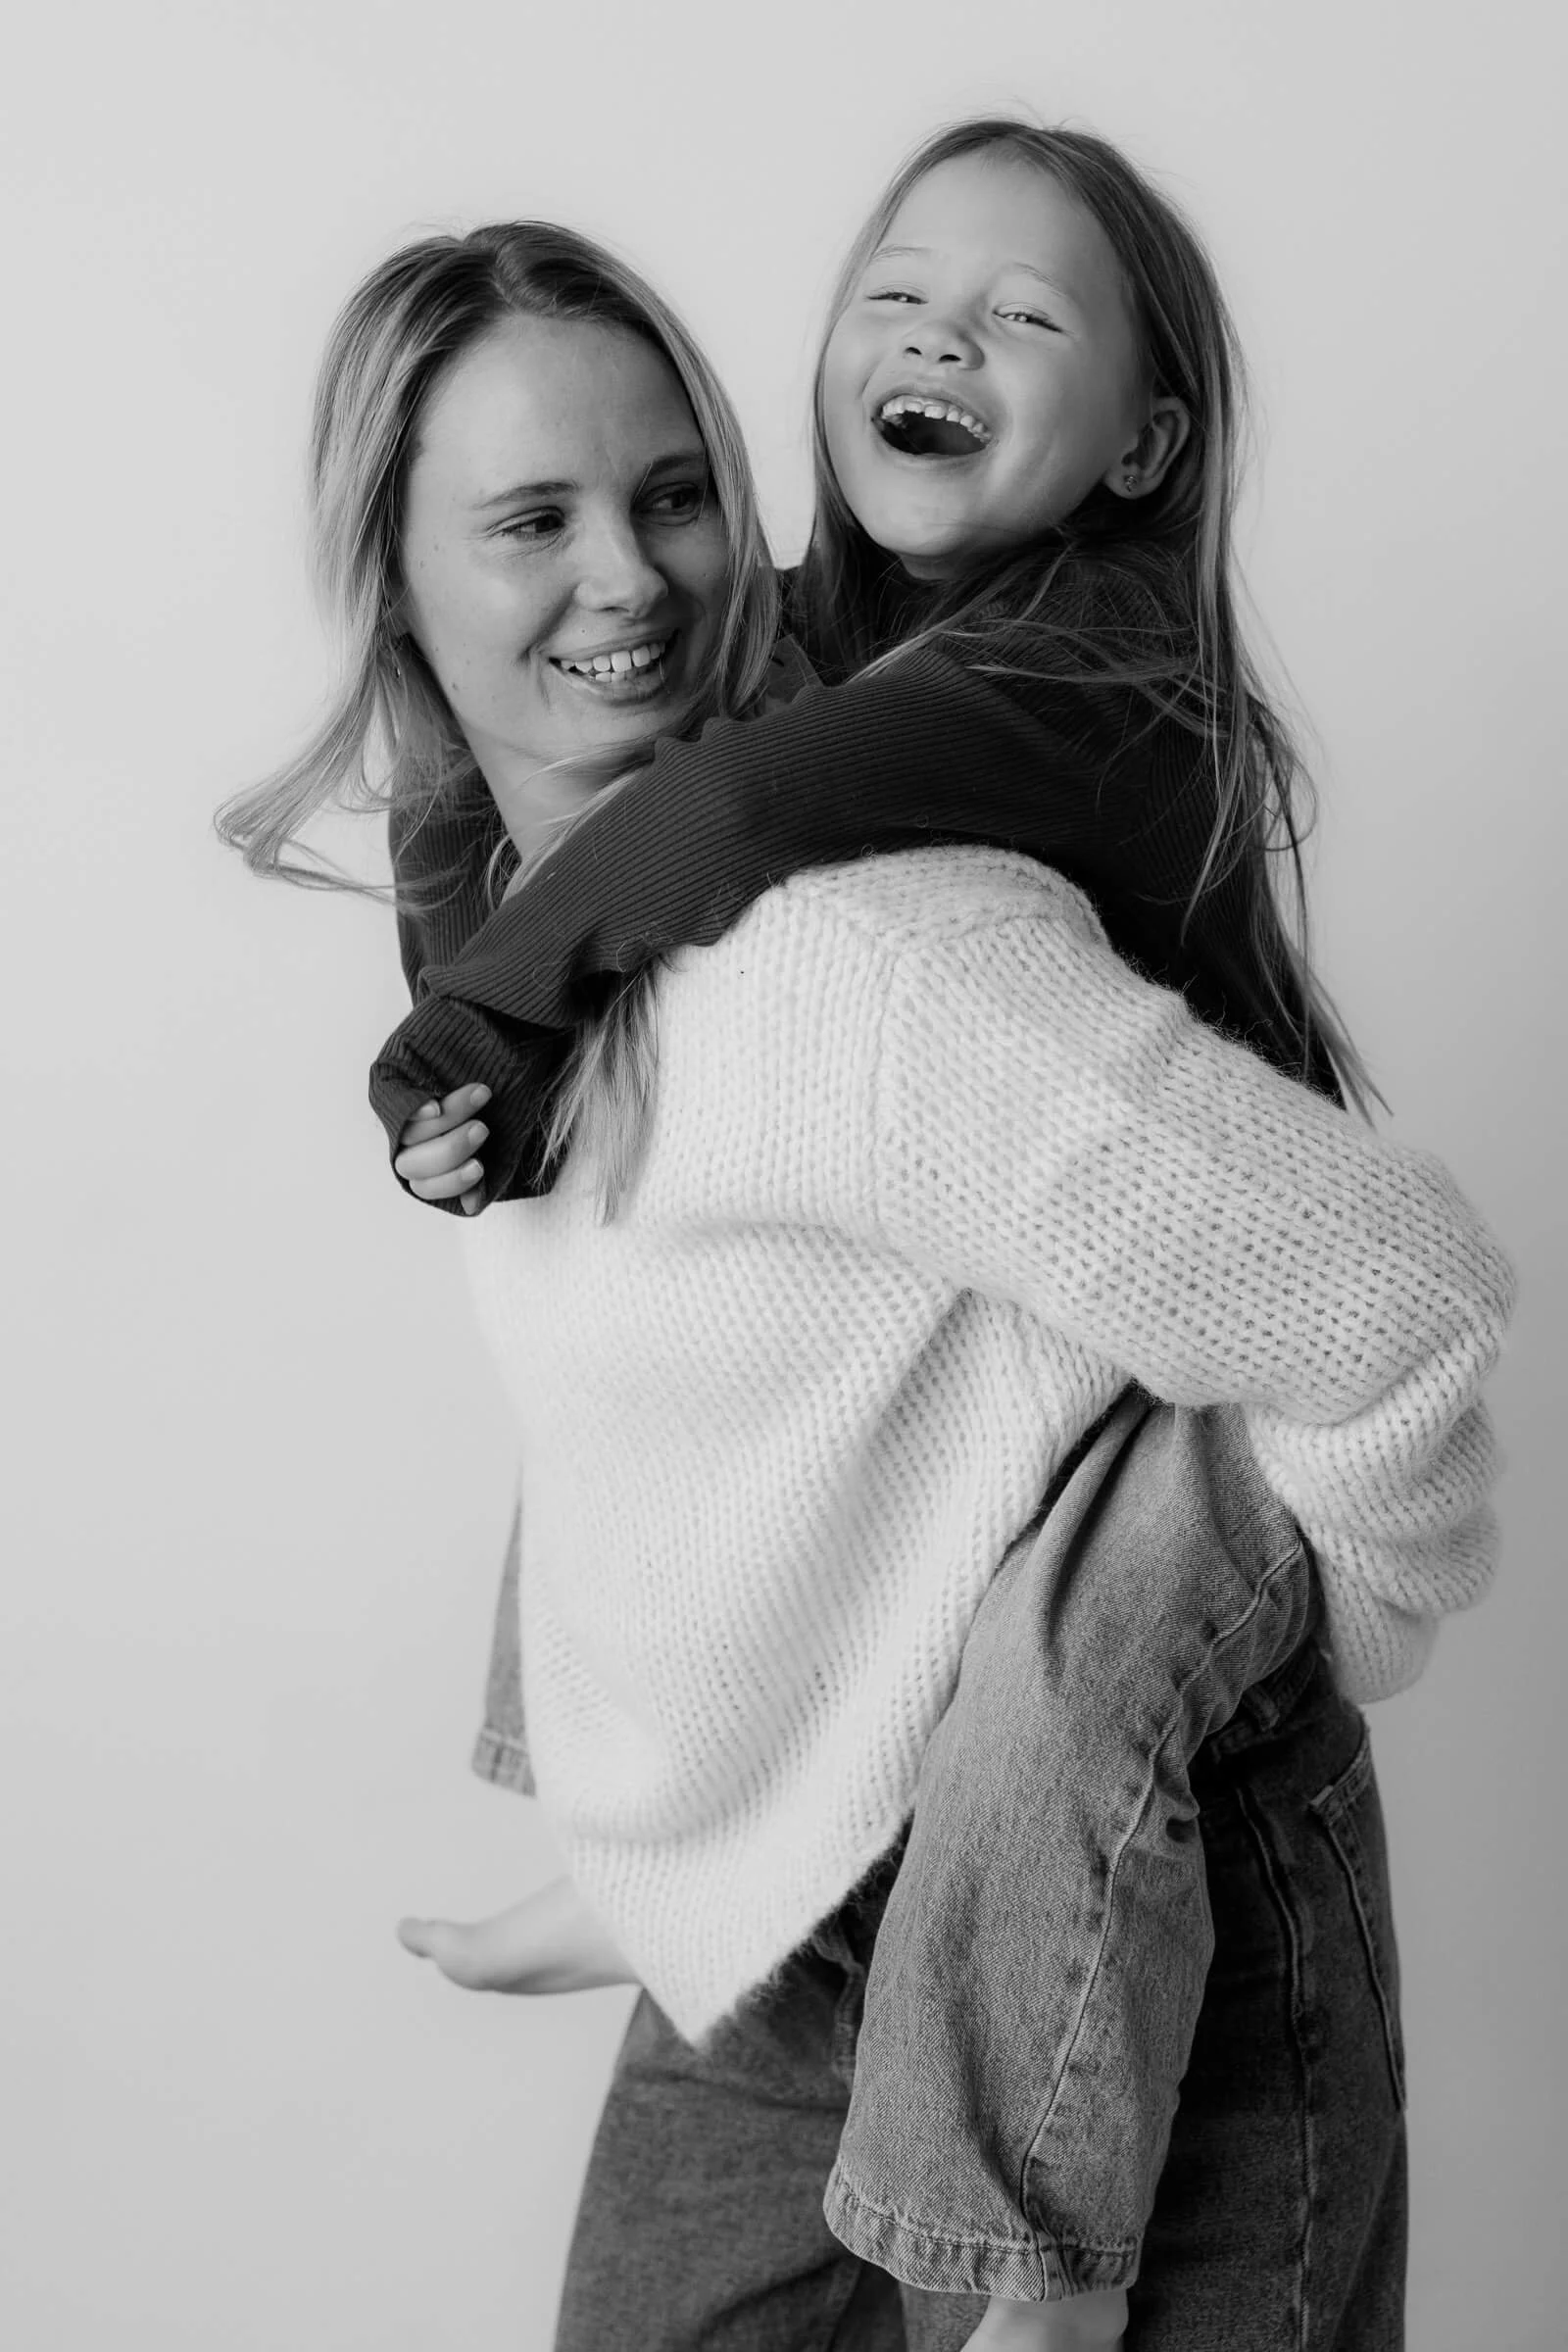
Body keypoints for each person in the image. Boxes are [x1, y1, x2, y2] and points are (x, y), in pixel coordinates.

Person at [220, 148, 1510, 2350]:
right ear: (394, 592)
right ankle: (650, 1841)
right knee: (635, 1371)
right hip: (805, 1865)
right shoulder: (692, 769)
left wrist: (1317, 1616)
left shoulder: (864, 910)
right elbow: (496, 824)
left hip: (1129, 1828)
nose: (625, 578)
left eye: (663, 498)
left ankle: (1025, 2238)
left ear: (1138, 436)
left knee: (1054, 1675)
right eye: (528, 523)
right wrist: (467, 1050)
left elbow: (1389, 1284)